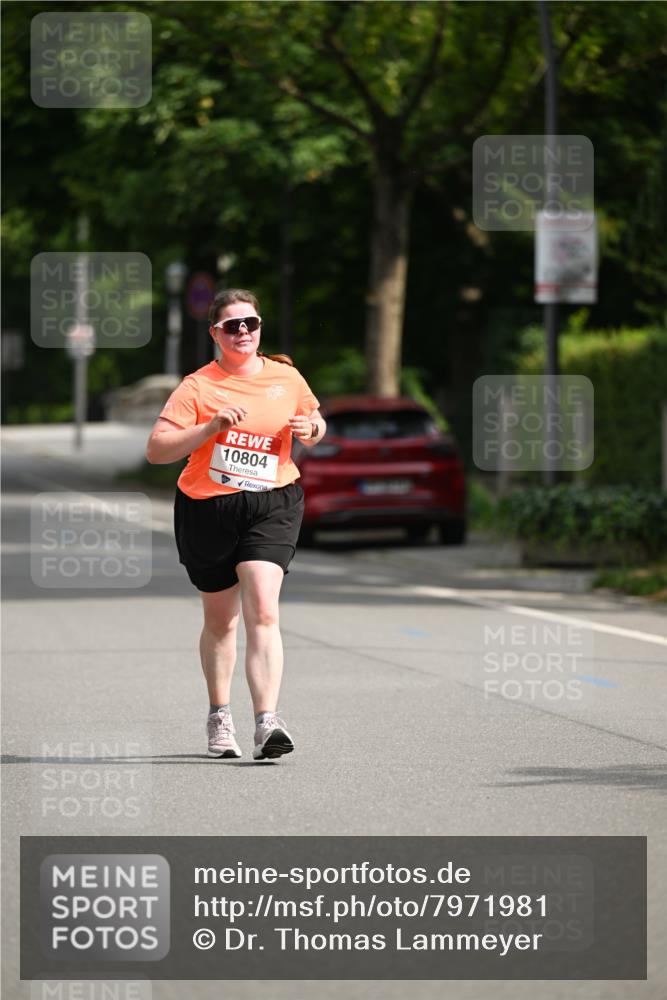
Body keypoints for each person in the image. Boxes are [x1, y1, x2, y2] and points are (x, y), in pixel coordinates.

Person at [146, 289, 326, 761]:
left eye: (251, 322)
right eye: (232, 325)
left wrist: (312, 430)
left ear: (260, 327)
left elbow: (314, 418)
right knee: (221, 621)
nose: (243, 331)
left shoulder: (285, 377)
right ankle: (218, 715)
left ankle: (268, 723)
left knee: (264, 607)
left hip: (273, 502)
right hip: (208, 507)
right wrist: (209, 429)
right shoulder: (197, 387)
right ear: (215, 334)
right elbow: (158, 449)